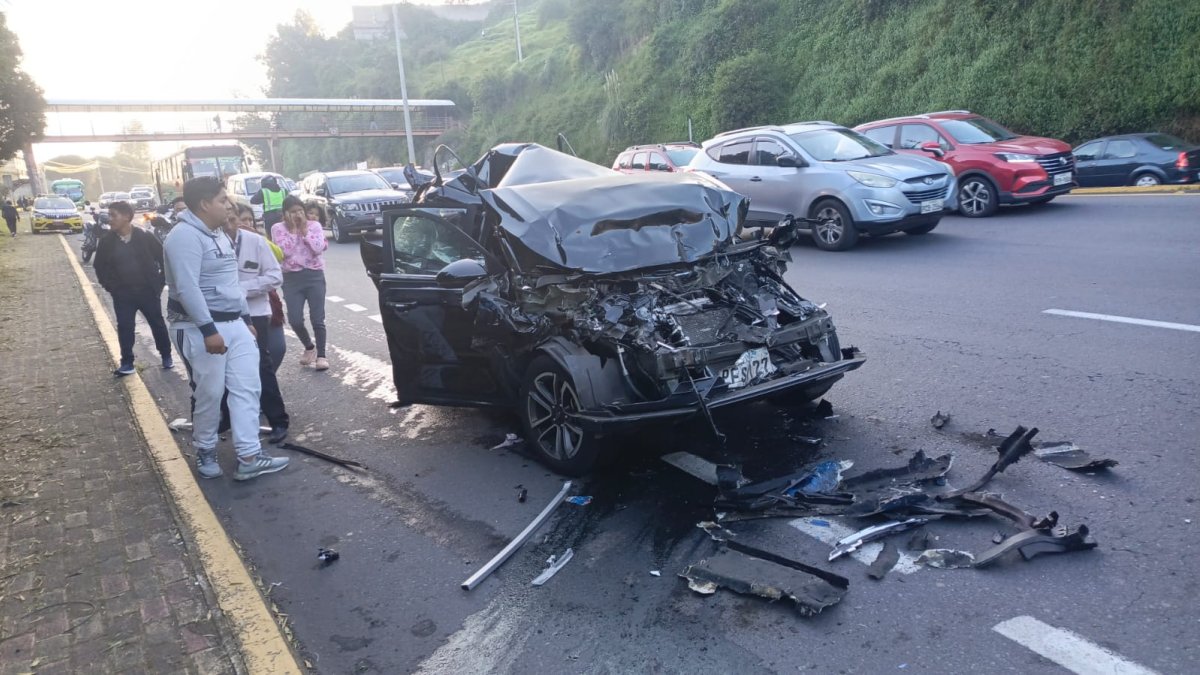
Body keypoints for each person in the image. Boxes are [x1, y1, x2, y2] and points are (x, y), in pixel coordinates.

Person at [164, 176, 288, 481]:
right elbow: (187, 288)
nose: (229, 205)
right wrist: (209, 330)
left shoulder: (217, 234)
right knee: (210, 392)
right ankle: (205, 449)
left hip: (235, 324)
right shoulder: (183, 237)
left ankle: (249, 455)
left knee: (248, 388)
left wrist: (245, 320)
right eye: (222, 199)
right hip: (200, 328)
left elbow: (231, 283)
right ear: (205, 204)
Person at [220, 204, 289, 444]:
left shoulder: (255, 242)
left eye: (232, 217)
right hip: (224, 313)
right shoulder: (211, 243)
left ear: (239, 219)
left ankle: (278, 420)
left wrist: (242, 290)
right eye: (225, 216)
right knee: (223, 366)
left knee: (262, 366)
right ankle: (225, 417)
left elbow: (274, 276)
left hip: (256, 313)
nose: (228, 221)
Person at [92, 201, 173, 375]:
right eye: (110, 215)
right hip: (123, 294)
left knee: (157, 323)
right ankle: (127, 362)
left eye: (114, 215)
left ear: (127, 217)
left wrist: (159, 284)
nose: (110, 219)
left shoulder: (144, 236)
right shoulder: (107, 241)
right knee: (125, 326)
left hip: (148, 292)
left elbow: (163, 259)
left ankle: (166, 355)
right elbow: (99, 266)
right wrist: (110, 286)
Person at [272, 195, 329, 371]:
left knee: (317, 319)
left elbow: (318, 248)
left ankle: (322, 355)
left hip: (314, 275)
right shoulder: (278, 228)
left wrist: (305, 231)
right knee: (295, 319)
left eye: (300, 211)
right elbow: (284, 252)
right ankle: (309, 347)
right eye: (293, 212)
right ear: (285, 214)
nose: (297, 215)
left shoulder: (314, 226)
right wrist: (293, 230)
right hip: (291, 278)